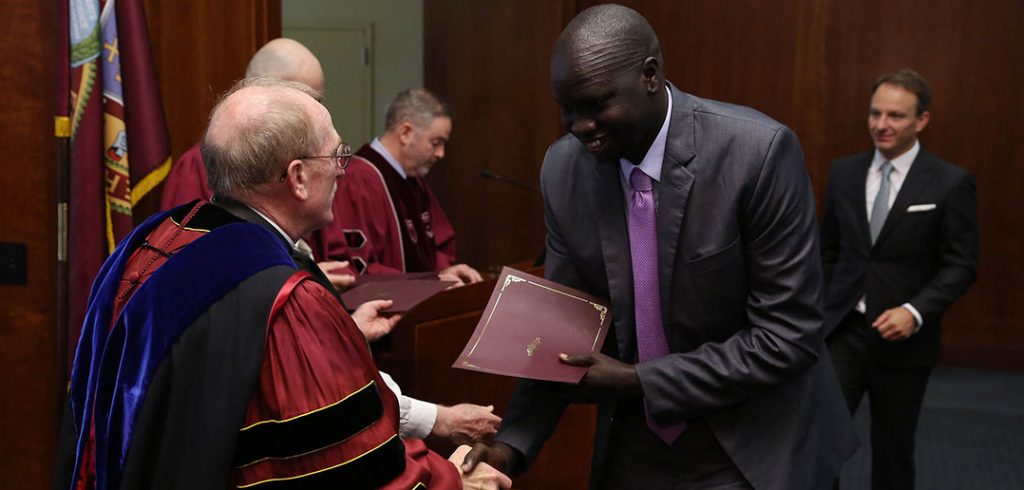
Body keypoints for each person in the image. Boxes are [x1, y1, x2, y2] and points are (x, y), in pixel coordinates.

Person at [462, 4, 857, 489]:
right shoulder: (564, 170)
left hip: (756, 439)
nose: (579, 126)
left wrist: (641, 380)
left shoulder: (757, 153)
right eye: (567, 108)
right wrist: (512, 445)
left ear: (649, 76)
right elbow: (562, 332)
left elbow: (789, 336)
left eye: (596, 104)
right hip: (640, 440)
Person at [53, 78, 511, 490]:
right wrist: (452, 480)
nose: (342, 169)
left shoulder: (154, 240)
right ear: (297, 177)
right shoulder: (287, 300)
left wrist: (342, 334)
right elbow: (341, 467)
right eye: (336, 155)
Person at [159, 38, 499, 446]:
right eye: (309, 98)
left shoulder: (277, 264)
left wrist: (335, 323)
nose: (342, 171)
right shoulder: (251, 261)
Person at [821, 69, 978, 490]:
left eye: (895, 116)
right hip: (843, 333)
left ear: (921, 120)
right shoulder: (844, 173)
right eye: (875, 113)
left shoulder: (950, 182)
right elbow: (828, 251)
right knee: (819, 444)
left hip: (904, 340)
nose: (881, 125)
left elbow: (961, 265)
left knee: (893, 452)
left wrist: (915, 311)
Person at [309, 88, 483, 286]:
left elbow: (439, 241)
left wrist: (444, 271)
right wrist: (428, 282)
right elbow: (356, 266)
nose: (441, 153)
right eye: (436, 143)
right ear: (406, 133)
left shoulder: (411, 180)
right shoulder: (357, 180)